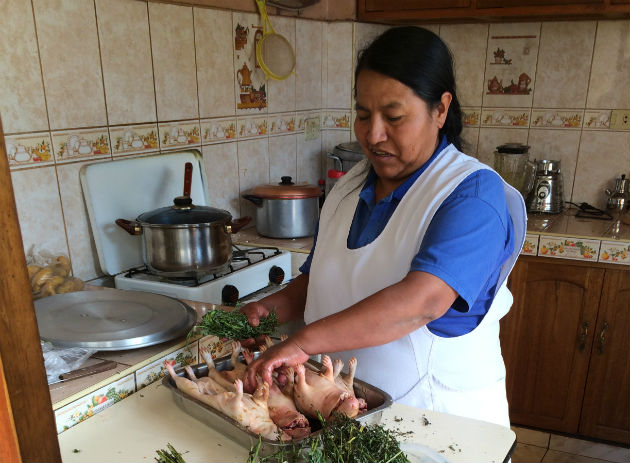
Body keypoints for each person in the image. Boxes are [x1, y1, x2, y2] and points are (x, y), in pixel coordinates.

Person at [240, 26, 526, 428]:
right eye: (362, 115)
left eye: (393, 117)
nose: (373, 135)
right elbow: (320, 281)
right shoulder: (348, 188)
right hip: (345, 412)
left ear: (440, 109)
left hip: (439, 422)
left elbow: (422, 302)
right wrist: (267, 311)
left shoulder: (472, 195)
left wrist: (301, 343)